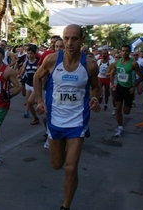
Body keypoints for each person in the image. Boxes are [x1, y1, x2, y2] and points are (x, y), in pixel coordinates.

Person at [33, 24, 101, 210]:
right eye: (67, 38)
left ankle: (65, 206)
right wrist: (39, 100)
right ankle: (64, 151)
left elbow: (96, 87)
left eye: (74, 39)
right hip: (55, 120)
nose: (69, 43)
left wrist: (95, 98)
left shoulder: (90, 64)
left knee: (70, 169)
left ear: (81, 40)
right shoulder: (52, 60)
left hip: (78, 122)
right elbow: (37, 78)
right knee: (56, 164)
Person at [112, 45, 143, 137]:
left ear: (129, 52)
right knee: (117, 108)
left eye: (126, 51)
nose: (124, 52)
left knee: (126, 111)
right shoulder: (117, 62)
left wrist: (134, 87)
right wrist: (112, 82)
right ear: (120, 52)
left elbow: (140, 76)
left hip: (128, 89)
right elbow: (113, 72)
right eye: (123, 51)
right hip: (119, 87)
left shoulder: (133, 64)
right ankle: (120, 127)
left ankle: (130, 103)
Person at [18, 45, 39, 123]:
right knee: (28, 101)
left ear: (34, 54)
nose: (29, 55)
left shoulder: (37, 63)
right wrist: (18, 76)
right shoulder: (26, 63)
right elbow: (22, 72)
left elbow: (40, 74)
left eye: (31, 53)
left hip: (35, 85)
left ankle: (39, 101)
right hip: (28, 84)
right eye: (28, 53)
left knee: (30, 102)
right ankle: (34, 117)